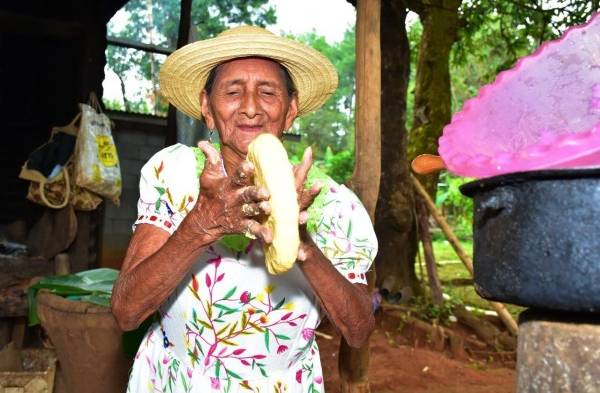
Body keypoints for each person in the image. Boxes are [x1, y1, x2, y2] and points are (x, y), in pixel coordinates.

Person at [112, 25, 378, 393]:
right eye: (232, 92)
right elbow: (126, 312)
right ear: (207, 108)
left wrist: (303, 245)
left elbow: (359, 329)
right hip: (173, 382)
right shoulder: (173, 175)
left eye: (268, 93)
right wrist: (201, 225)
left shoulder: (331, 203)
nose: (251, 108)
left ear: (291, 110)